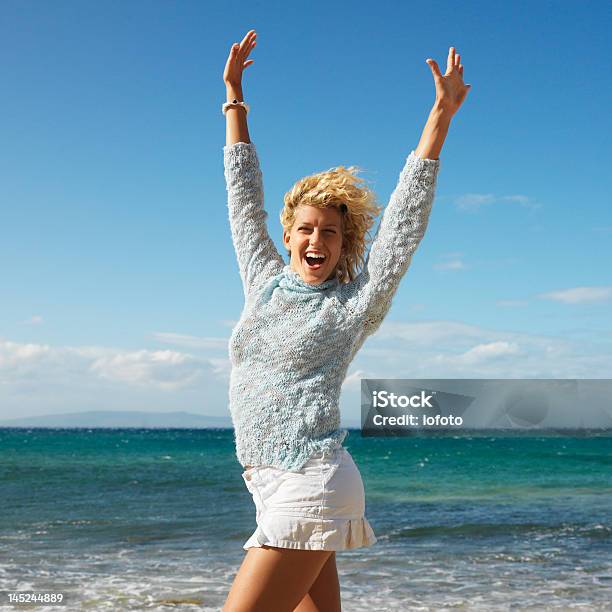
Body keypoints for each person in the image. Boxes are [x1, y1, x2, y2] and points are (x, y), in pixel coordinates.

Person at [220, 29, 471, 612]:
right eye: (305, 229)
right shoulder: (263, 280)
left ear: (344, 242)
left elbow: (403, 225)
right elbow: (241, 194)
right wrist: (234, 96)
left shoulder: (355, 301)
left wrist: (440, 117)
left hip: (311, 481)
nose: (316, 240)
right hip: (268, 483)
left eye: (330, 232)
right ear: (286, 236)